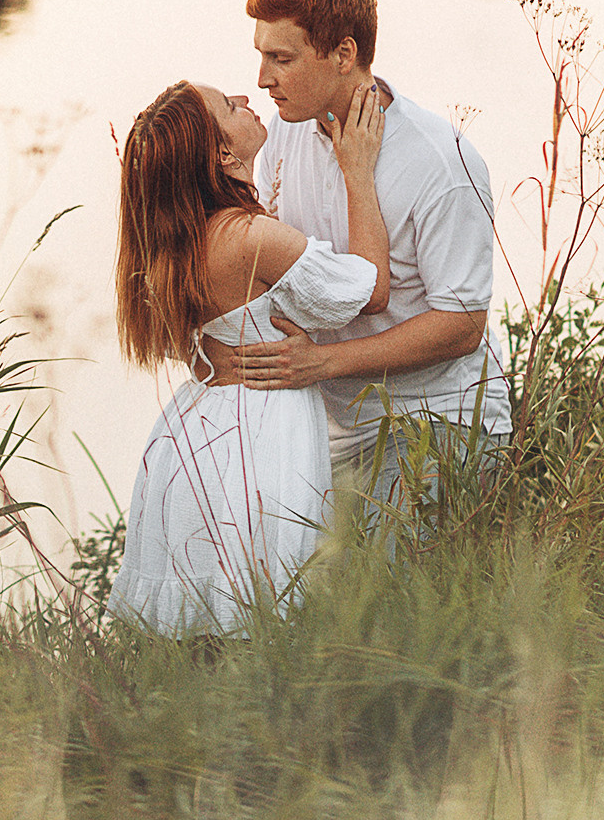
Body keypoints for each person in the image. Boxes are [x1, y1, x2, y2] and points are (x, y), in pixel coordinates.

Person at [227, 0, 512, 548]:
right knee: (262, 576)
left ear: (343, 53)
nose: (262, 79)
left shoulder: (441, 162)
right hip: (324, 424)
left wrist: (324, 364)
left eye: (282, 59)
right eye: (262, 56)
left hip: (436, 418)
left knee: (381, 594)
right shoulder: (284, 130)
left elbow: (462, 326)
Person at [105, 77, 391, 637]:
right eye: (226, 106)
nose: (243, 96)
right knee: (263, 609)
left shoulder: (174, 243)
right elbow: (370, 289)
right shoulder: (249, 236)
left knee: (202, 627)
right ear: (222, 153)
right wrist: (357, 169)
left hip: (191, 433)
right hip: (257, 429)